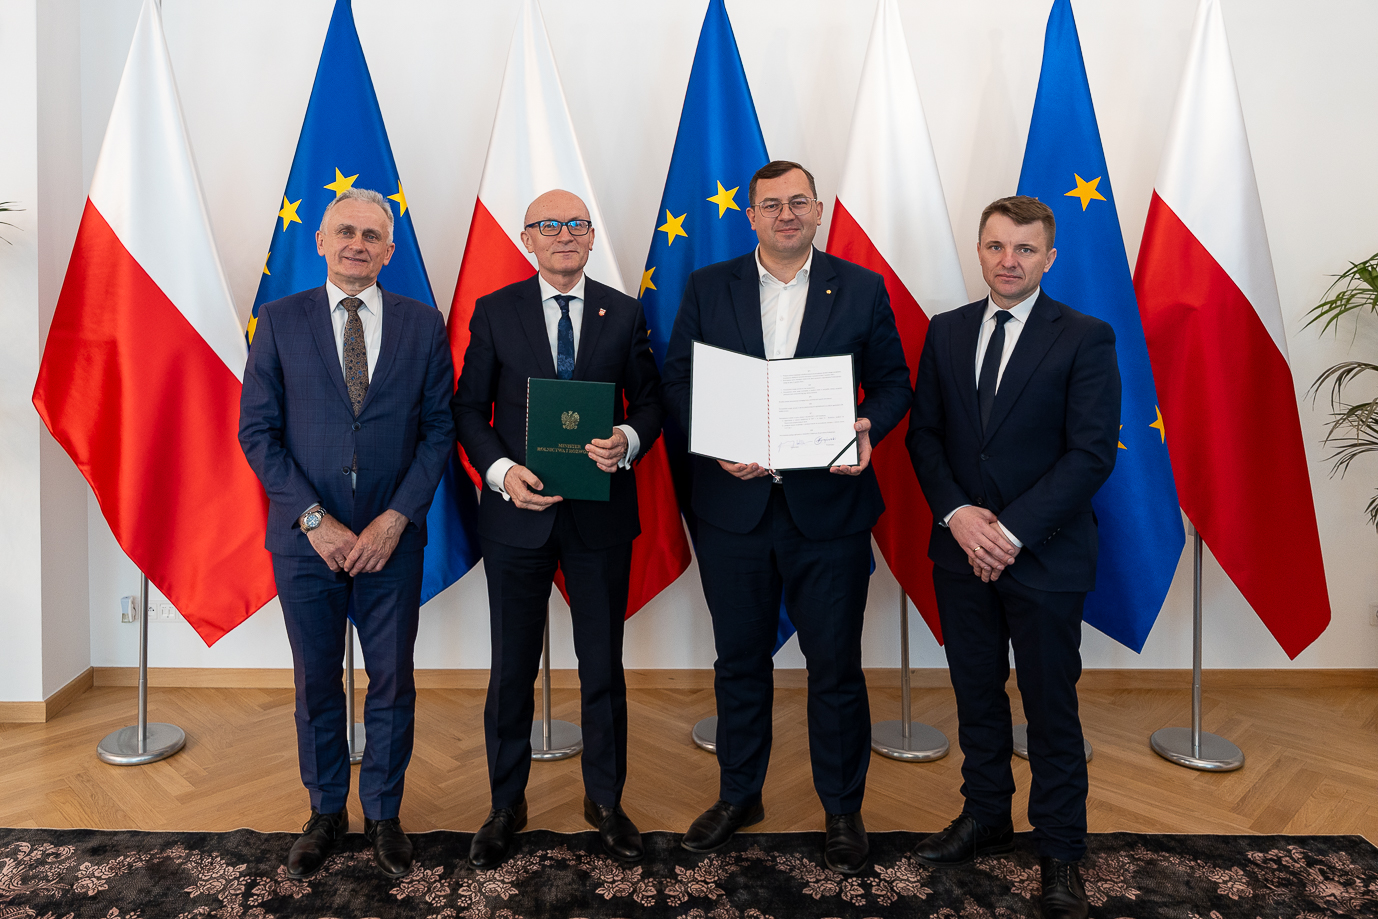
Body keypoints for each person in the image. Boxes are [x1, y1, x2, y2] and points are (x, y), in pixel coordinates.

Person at [660, 160, 911, 875]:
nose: (787, 214)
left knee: (835, 665)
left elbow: (893, 382)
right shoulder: (709, 286)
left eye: (799, 201)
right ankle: (739, 795)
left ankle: (842, 808)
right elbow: (677, 380)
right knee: (740, 662)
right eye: (771, 204)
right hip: (732, 511)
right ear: (751, 216)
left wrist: (866, 426)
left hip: (828, 509)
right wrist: (716, 441)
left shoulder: (860, 287)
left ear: (818, 209)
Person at [905, 196, 1121, 919]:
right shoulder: (946, 330)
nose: (1008, 260)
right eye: (996, 246)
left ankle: (1060, 847)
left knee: (1050, 707)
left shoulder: (1086, 336)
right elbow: (924, 436)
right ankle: (986, 814)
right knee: (976, 694)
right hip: (959, 549)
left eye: (1025, 249)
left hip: (1046, 556)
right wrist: (959, 516)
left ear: (1049, 258)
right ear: (979, 249)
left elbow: (1090, 453)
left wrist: (1010, 533)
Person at [239, 187, 455, 880]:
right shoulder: (279, 320)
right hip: (305, 544)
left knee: (391, 681)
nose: (357, 244)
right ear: (321, 242)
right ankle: (326, 811)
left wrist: (397, 517)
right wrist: (313, 519)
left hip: (392, 539)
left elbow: (439, 430)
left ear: (389, 251)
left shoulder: (424, 324)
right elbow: (257, 432)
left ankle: (384, 813)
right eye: (345, 232)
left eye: (371, 235)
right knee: (316, 682)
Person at [452, 189, 664, 869]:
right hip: (517, 515)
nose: (564, 234)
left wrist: (629, 439)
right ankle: (504, 805)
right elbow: (468, 408)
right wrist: (500, 471)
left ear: (592, 236)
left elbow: (652, 401)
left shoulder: (623, 311)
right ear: (529, 239)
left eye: (576, 224)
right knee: (511, 667)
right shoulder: (496, 310)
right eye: (550, 225)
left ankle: (606, 801)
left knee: (602, 663)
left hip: (601, 515)